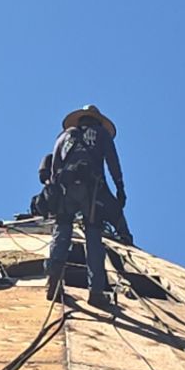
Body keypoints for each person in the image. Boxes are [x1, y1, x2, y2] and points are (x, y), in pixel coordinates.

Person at [44, 105, 126, 310]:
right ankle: (96, 292)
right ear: (97, 120)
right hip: (92, 191)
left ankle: (54, 281)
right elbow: (112, 161)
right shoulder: (101, 134)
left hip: (65, 189)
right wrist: (119, 187)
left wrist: (56, 190)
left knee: (62, 231)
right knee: (93, 237)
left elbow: (55, 164)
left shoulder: (64, 136)